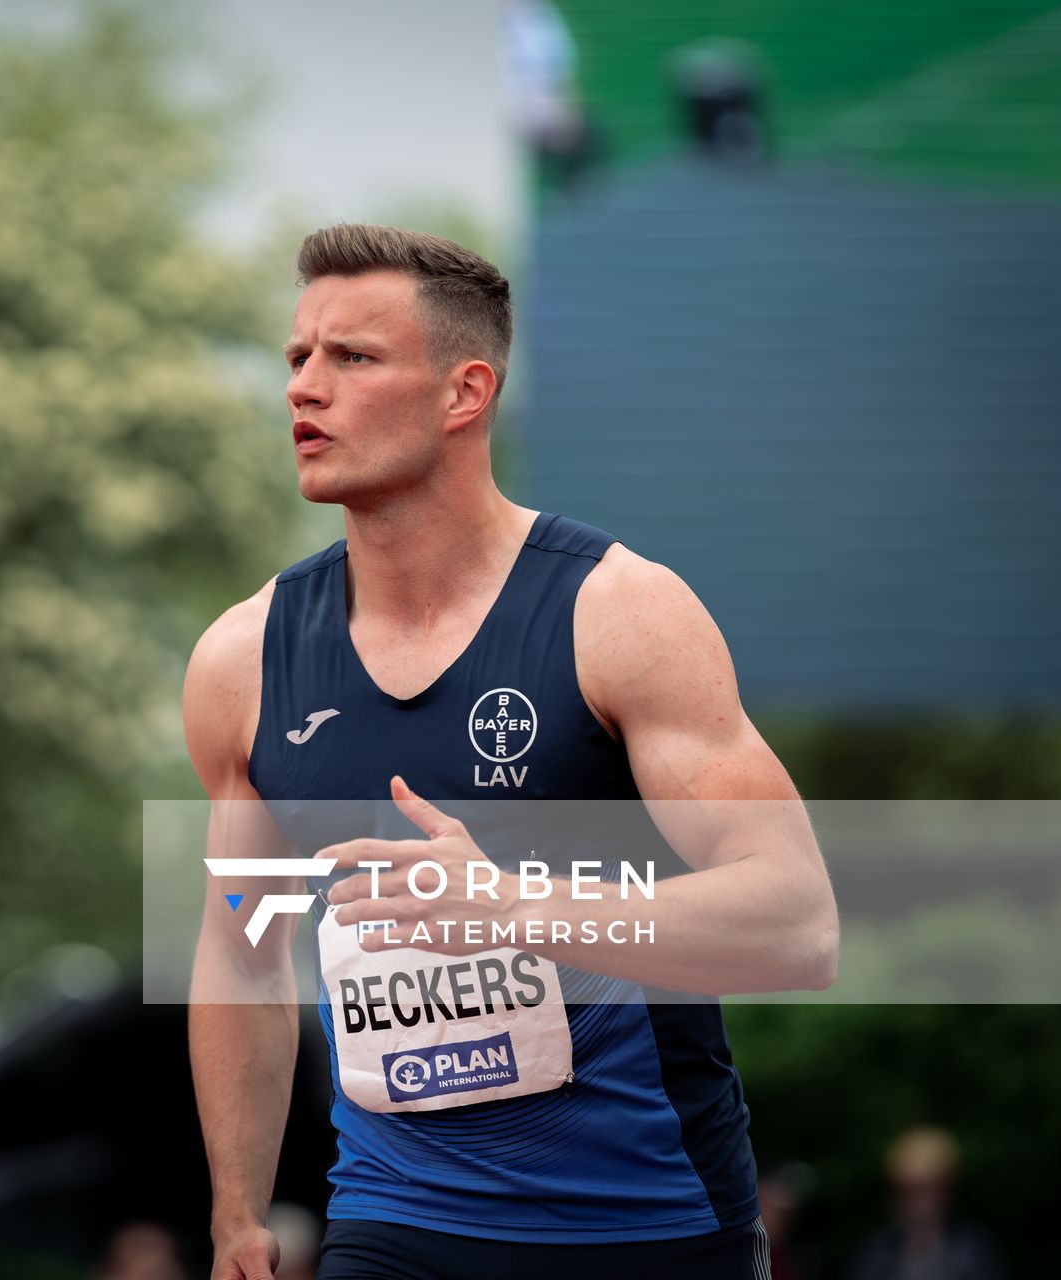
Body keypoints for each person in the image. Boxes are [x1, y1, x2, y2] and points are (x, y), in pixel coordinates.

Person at [183, 224, 839, 1280]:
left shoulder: (619, 615)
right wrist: (235, 1212)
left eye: (353, 357)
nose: (306, 387)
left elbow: (798, 922)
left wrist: (510, 904)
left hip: (650, 1223)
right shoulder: (243, 662)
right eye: (297, 358)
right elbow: (243, 944)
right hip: (395, 1221)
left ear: (463, 392)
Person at [849, 1127, 1003, 1280]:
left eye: (924, 1190)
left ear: (946, 1193)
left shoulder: (974, 1252)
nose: (916, 1203)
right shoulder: (876, 1253)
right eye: (906, 1192)